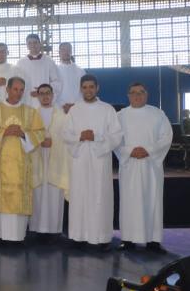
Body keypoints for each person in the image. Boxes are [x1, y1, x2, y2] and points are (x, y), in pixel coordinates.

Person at [62, 74, 122, 248]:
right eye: (85, 87)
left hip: (99, 159)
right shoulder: (75, 110)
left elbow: (116, 135)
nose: (88, 90)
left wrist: (96, 137)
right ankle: (78, 236)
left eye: (91, 87)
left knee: (99, 196)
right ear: (80, 89)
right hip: (80, 158)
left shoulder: (107, 109)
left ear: (97, 88)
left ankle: (101, 237)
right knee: (79, 195)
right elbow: (66, 133)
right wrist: (80, 137)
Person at [116, 82, 173, 252]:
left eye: (141, 92)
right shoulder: (120, 116)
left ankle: (153, 241)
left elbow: (166, 137)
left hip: (151, 166)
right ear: (128, 96)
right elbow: (115, 139)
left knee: (152, 200)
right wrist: (129, 151)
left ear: (146, 94)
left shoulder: (158, 114)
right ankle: (128, 239)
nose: (137, 95)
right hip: (130, 165)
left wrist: (148, 150)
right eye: (133, 92)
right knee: (128, 201)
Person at [0, 77, 44, 243]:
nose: (18, 93)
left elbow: (40, 133)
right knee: (1, 199)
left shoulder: (30, 112)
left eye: (21, 90)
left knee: (19, 198)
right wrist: (3, 133)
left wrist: (23, 134)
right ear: (7, 89)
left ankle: (18, 236)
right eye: (15, 89)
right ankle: (0, 235)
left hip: (21, 164)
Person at [30, 84, 70, 239]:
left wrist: (53, 142)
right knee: (38, 194)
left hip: (56, 159)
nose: (45, 96)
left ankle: (54, 231)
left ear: (53, 95)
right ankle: (37, 230)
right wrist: (39, 141)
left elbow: (66, 137)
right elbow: (28, 135)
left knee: (54, 195)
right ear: (37, 96)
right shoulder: (33, 114)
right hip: (38, 158)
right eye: (42, 93)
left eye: (48, 93)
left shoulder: (62, 115)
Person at [16, 33, 61, 108]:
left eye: (35, 42)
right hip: (27, 101)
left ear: (39, 44)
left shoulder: (49, 61)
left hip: (45, 101)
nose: (33, 45)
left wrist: (43, 92)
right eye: (30, 43)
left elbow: (57, 82)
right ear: (27, 46)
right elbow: (17, 83)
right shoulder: (21, 63)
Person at [57, 42, 85, 112]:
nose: (66, 52)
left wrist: (75, 105)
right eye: (63, 50)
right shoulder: (54, 71)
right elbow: (53, 91)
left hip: (78, 108)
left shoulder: (81, 71)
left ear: (71, 51)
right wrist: (62, 105)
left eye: (68, 50)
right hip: (60, 108)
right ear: (59, 52)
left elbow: (83, 91)